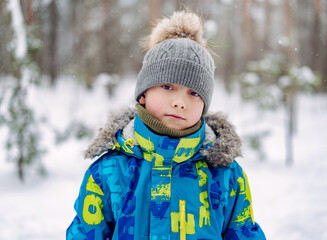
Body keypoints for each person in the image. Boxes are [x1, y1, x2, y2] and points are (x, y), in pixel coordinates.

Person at [67, 11, 266, 240]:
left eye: (193, 92)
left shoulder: (225, 174)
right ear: (143, 94)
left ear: (204, 106)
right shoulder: (109, 172)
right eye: (168, 87)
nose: (180, 102)